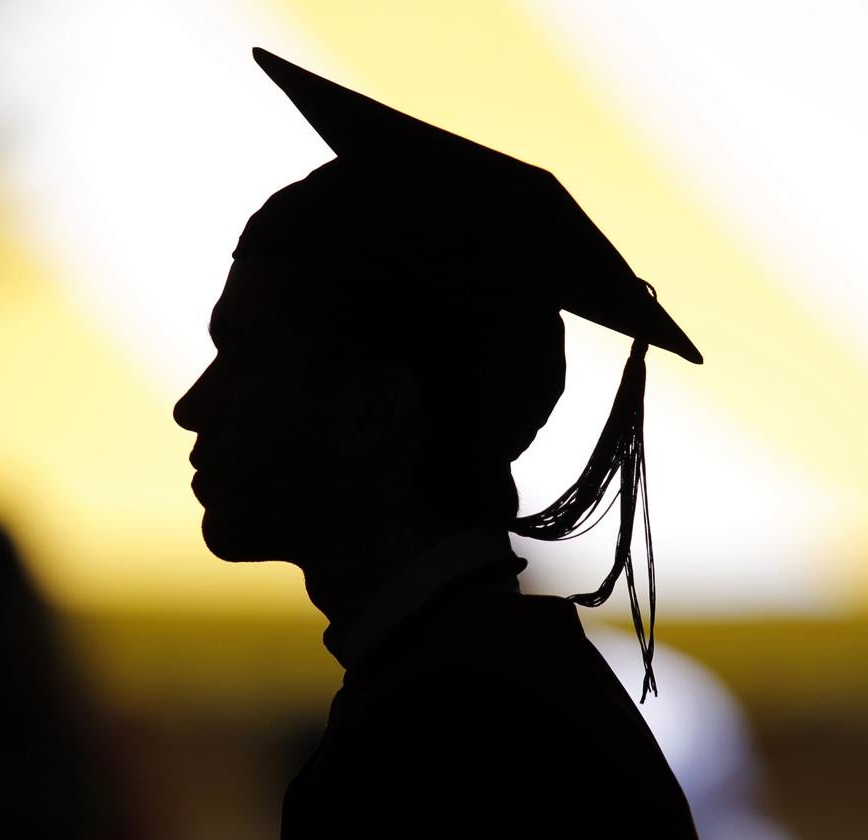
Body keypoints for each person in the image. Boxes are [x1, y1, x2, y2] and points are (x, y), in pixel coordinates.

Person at [174, 48, 699, 837]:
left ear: (376, 407)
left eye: (244, 354)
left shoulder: (452, 734)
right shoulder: (494, 687)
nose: (192, 406)